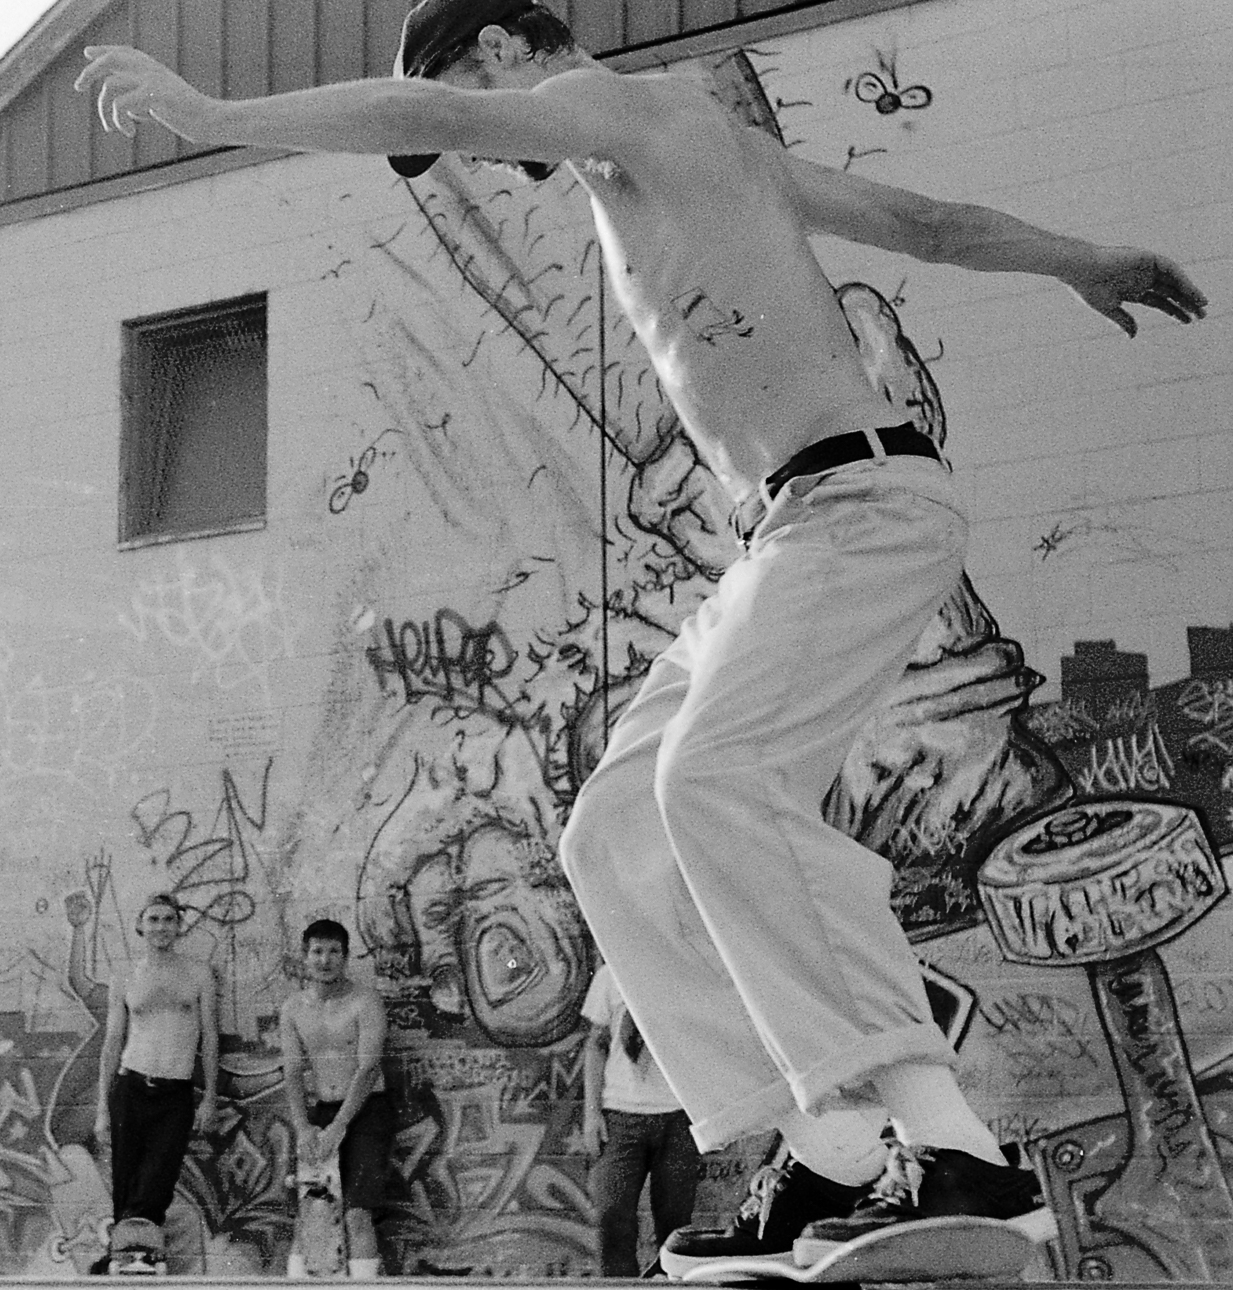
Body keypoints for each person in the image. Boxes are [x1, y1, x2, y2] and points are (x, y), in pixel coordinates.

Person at [77, 2, 1207, 1277]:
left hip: (858, 507)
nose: (497, 157)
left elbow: (431, 110)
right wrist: (1080, 259)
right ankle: (829, 1148)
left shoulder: (606, 104)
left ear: (504, 47)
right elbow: (928, 225)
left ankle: (953, 1149)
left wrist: (212, 116)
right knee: (610, 830)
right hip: (786, 533)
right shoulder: (706, 150)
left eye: (481, 111)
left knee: (714, 781)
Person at [92, 893, 220, 1242]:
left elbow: (210, 1037)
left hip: (174, 1093)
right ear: (140, 925)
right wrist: (102, 1108)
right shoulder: (125, 976)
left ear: (179, 926)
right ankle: (129, 1258)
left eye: (168, 919)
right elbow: (112, 1042)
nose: (161, 927)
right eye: (153, 919)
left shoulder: (198, 973)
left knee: (157, 1181)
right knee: (126, 1183)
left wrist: (210, 1098)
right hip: (131, 1087)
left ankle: (133, 1251)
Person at [279, 918, 390, 1280]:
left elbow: (369, 1067)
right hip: (321, 1113)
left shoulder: (365, 1001)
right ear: (305, 956)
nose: (324, 960)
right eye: (317, 951)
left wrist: (340, 1125)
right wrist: (302, 1127)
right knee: (311, 1212)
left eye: (333, 952)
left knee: (357, 1213)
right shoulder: (293, 1008)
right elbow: (293, 1072)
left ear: (345, 956)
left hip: (367, 1111)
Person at [580, 965, 699, 1277]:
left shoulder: (682, 969)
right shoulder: (611, 975)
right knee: (612, 1216)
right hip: (619, 1115)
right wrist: (591, 1113)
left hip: (678, 1117)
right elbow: (596, 1044)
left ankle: (671, 1283)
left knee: (675, 1225)